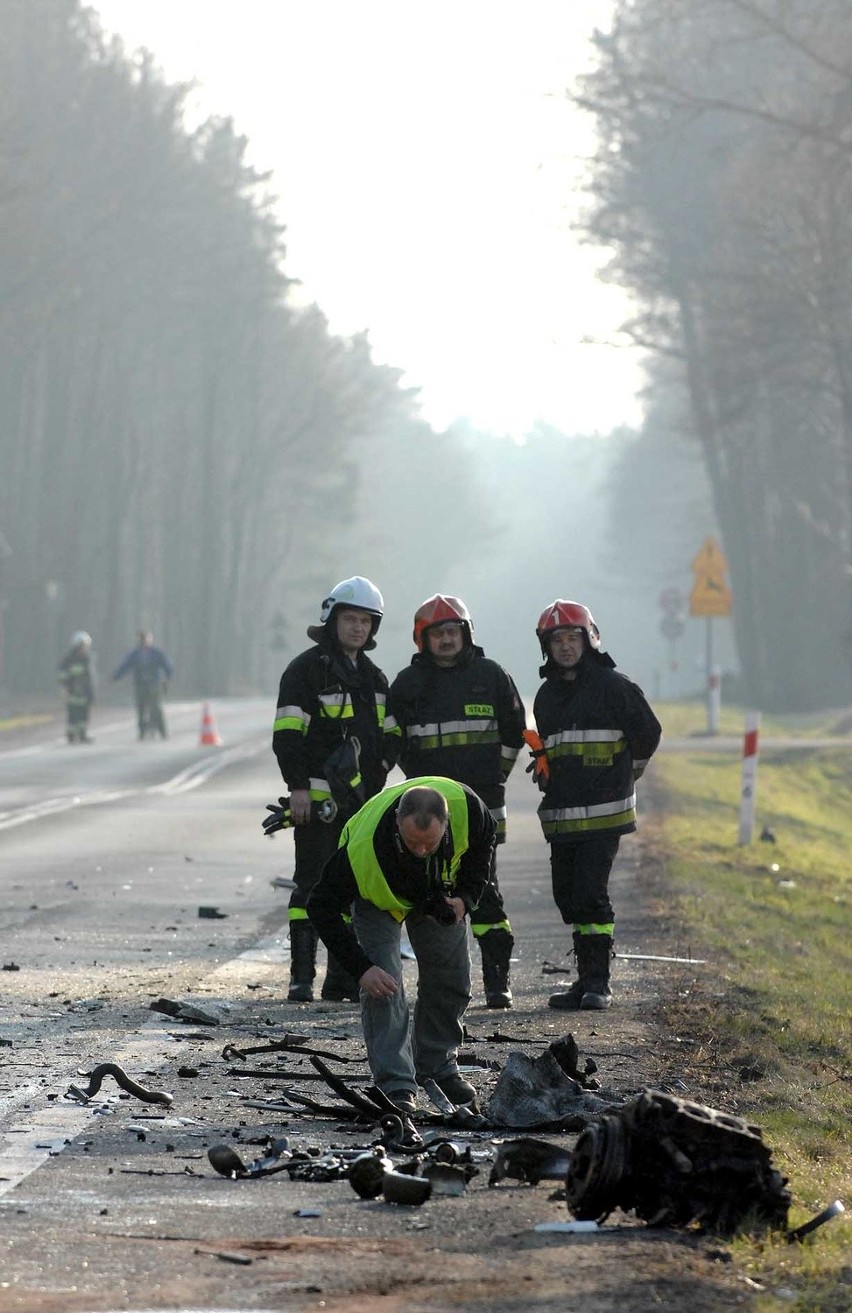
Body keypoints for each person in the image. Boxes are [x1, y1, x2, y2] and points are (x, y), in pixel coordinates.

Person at [307, 778, 496, 1114]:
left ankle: (438, 1067)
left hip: (435, 893)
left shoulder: (470, 810)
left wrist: (466, 898)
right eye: (412, 843)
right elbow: (319, 907)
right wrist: (361, 969)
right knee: (385, 987)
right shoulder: (358, 855)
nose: (421, 850)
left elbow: (484, 846)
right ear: (397, 821)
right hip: (376, 897)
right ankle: (396, 1086)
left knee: (451, 977)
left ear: (447, 824)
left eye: (430, 844)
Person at [388, 594, 526, 1008]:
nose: (447, 640)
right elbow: (392, 741)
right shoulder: (407, 685)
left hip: (482, 809)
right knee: (429, 890)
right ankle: (442, 985)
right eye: (438, 633)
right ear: (422, 640)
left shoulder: (491, 675)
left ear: (466, 634)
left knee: (484, 891)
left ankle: (497, 982)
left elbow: (514, 733)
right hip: (426, 816)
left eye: (453, 631)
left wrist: (494, 779)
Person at [272, 576, 400, 1003]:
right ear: (332, 619)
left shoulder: (376, 679)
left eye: (366, 620)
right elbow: (287, 736)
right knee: (309, 885)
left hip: (361, 806)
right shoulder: (304, 672)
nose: (358, 628)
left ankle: (342, 982)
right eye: (351, 619)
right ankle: (301, 978)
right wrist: (298, 789)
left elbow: (391, 738)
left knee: (351, 889)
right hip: (318, 804)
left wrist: (379, 776)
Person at [531, 600, 661, 1011]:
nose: (565, 647)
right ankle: (584, 981)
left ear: (590, 640)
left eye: (573, 637)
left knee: (591, 893)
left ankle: (597, 982)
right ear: (546, 647)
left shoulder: (614, 687)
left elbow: (648, 733)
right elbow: (554, 748)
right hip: (563, 815)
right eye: (557, 640)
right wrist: (545, 764)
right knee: (567, 898)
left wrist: (627, 774)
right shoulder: (546, 696)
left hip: (605, 813)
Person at [112, 632, 174, 739]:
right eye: (142, 639)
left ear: (150, 640)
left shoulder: (157, 653)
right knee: (141, 708)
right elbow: (126, 666)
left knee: (156, 708)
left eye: (146, 639)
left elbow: (167, 665)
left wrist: (168, 677)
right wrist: (116, 676)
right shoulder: (135, 654)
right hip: (140, 684)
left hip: (154, 684)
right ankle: (142, 732)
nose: (144, 641)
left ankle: (162, 731)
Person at [58, 631, 96, 743]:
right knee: (73, 715)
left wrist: (92, 693)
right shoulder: (68, 660)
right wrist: (65, 689)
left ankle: (82, 734)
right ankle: (71, 735)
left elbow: (90, 678)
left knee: (84, 715)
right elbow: (62, 675)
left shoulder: (87, 660)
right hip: (72, 693)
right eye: (83, 646)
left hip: (84, 693)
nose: (85, 649)